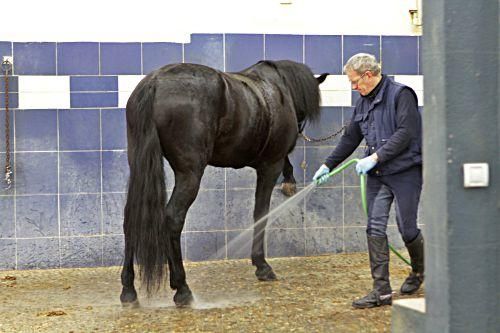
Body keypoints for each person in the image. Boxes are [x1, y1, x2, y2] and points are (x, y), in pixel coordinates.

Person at [313, 53, 424, 309]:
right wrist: (327, 164)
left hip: (406, 171)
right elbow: (350, 138)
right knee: (374, 228)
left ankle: (419, 271)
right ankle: (381, 291)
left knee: (407, 229)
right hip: (378, 175)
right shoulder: (363, 102)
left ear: (368, 75)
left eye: (355, 81)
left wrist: (376, 156)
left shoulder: (401, 95)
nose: (354, 87)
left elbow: (407, 133)